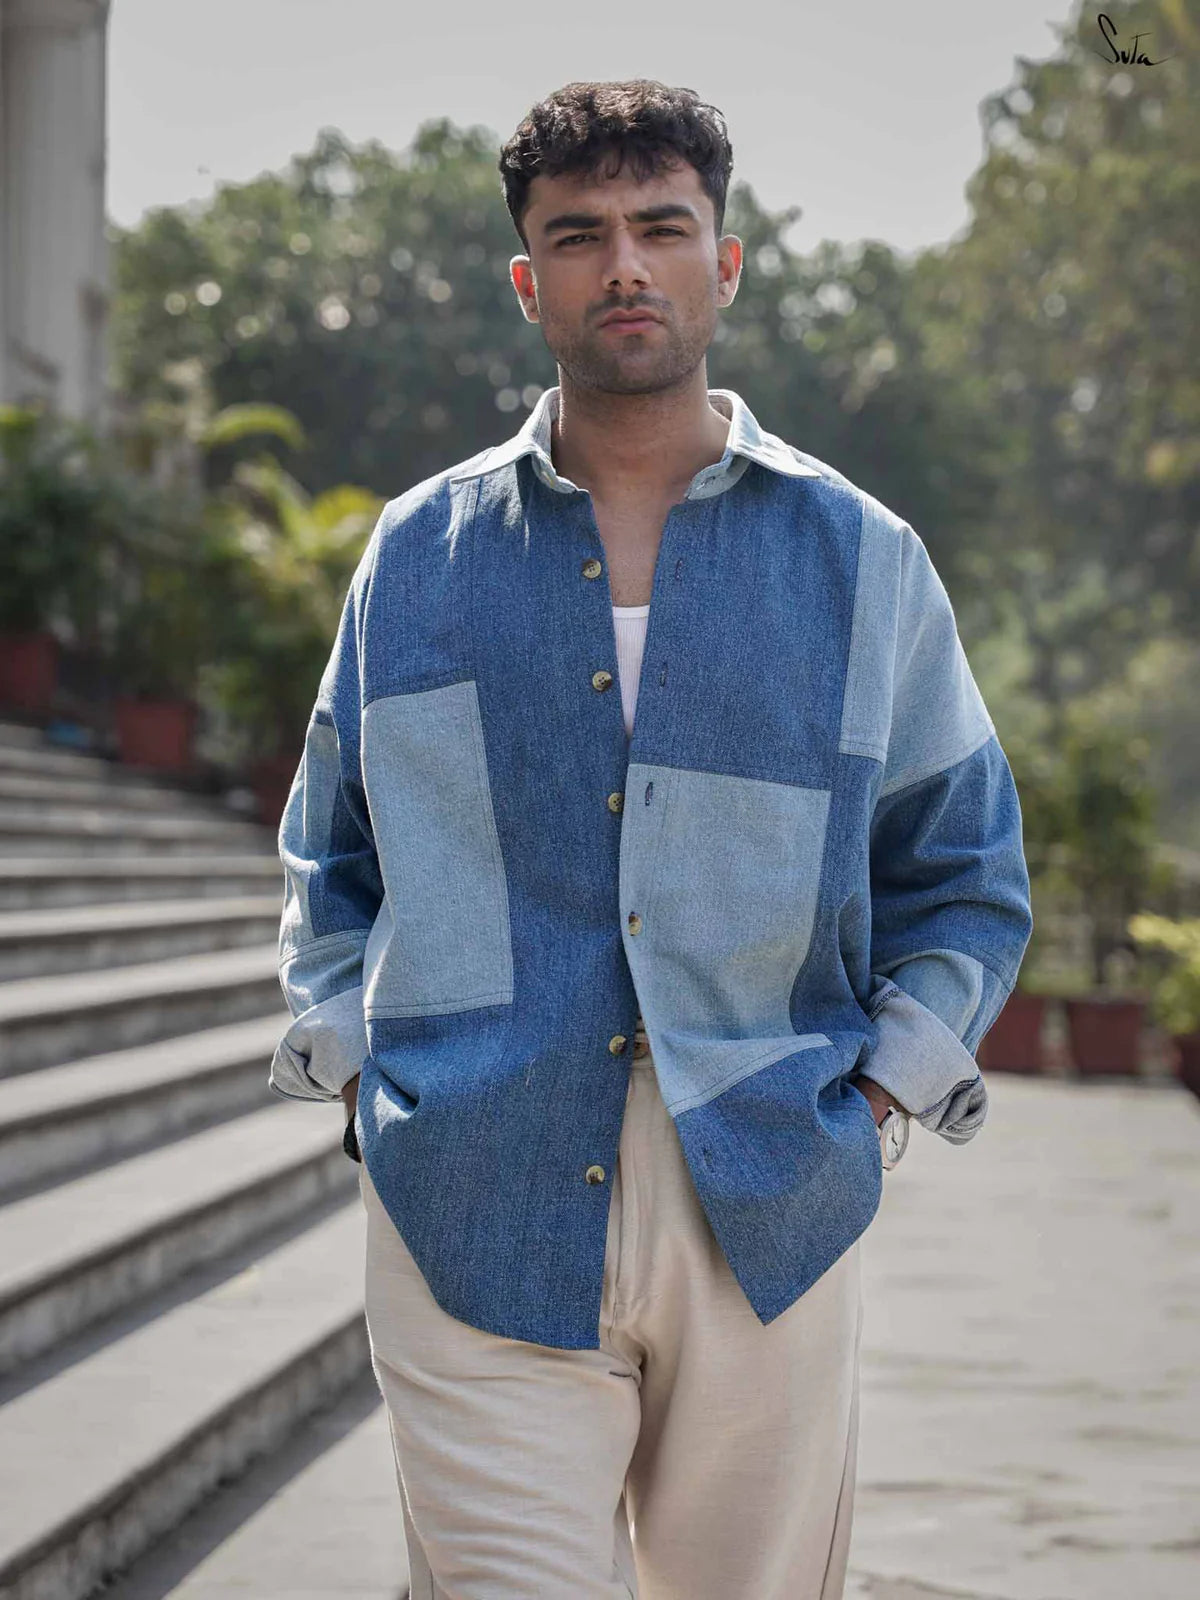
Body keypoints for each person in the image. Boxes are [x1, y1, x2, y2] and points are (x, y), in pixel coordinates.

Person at [270, 78, 1033, 1600]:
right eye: (581, 236)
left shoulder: (862, 562)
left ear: (725, 262)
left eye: (662, 228)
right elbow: (328, 856)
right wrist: (355, 1066)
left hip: (766, 1188)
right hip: (470, 1180)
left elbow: (964, 873)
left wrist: (881, 1087)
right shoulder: (415, 560)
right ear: (527, 281)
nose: (625, 266)